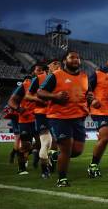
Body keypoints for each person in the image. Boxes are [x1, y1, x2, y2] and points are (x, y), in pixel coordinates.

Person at [37, 51, 91, 187]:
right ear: (64, 61)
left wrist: (92, 98)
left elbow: (88, 93)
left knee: (77, 151)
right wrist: (55, 96)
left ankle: (55, 156)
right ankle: (62, 179)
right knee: (66, 148)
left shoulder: (84, 76)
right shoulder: (56, 75)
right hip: (59, 117)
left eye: (78, 57)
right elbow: (40, 92)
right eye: (72, 57)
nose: (76, 59)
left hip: (79, 118)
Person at [28, 59, 61, 178]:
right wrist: (40, 99)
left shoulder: (62, 77)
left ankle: (51, 164)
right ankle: (44, 170)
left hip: (58, 114)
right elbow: (28, 95)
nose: (58, 65)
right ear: (49, 66)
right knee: (46, 143)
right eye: (55, 63)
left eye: (59, 64)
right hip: (42, 114)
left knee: (57, 142)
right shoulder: (39, 78)